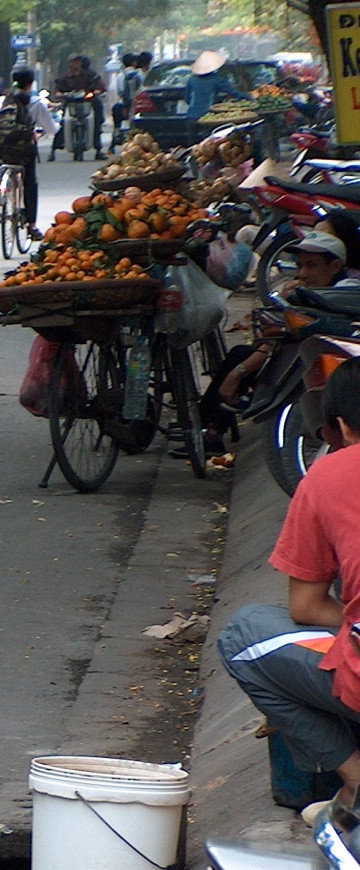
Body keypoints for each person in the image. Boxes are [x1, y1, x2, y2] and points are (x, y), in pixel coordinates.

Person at [219, 354, 360, 824]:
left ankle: (356, 779)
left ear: (342, 426)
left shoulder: (329, 475)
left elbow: (306, 606)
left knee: (241, 635)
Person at [200, 229, 358, 452]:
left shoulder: (341, 295)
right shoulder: (313, 295)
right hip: (303, 358)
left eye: (311, 266)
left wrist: (239, 373)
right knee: (240, 354)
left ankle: (209, 428)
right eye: (300, 266)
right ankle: (208, 425)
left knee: (241, 358)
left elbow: (276, 341)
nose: (302, 274)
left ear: (334, 267)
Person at [0, 68, 58, 239]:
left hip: (2, 148)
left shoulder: (2, 100)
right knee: (30, 182)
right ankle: (32, 226)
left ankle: (0, 183)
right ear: (31, 83)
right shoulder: (36, 102)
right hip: (24, 150)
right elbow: (51, 129)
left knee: (4, 163)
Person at [54, 55, 108, 158]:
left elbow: (100, 87)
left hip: (88, 102)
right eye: (73, 61)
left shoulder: (91, 75)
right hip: (71, 103)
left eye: (77, 61)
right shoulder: (65, 77)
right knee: (63, 123)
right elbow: (58, 90)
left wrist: (96, 92)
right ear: (69, 63)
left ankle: (98, 149)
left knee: (97, 122)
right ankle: (54, 149)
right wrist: (60, 94)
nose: (75, 64)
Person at [188, 49, 248, 124]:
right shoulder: (216, 79)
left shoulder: (192, 79)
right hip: (209, 117)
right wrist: (249, 97)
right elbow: (234, 92)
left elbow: (188, 98)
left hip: (191, 117)